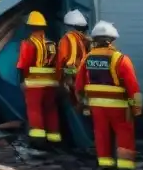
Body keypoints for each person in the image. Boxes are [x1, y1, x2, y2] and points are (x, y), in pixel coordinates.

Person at [75, 21, 142, 170]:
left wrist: (82, 103)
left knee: (101, 135)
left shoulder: (86, 59)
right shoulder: (120, 59)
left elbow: (79, 85)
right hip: (119, 107)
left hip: (97, 107)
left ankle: (106, 166)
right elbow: (133, 86)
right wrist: (137, 108)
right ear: (112, 40)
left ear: (95, 40)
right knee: (124, 135)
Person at [16, 11, 61, 148]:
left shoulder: (28, 43)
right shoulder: (52, 44)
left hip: (34, 82)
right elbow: (58, 64)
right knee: (51, 109)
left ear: (29, 26)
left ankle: (38, 140)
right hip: (51, 83)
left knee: (34, 109)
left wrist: (22, 81)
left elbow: (23, 64)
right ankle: (54, 137)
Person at [57, 10, 90, 95]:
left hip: (74, 80)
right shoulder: (87, 41)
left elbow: (65, 61)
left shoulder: (67, 39)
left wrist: (61, 78)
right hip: (88, 79)